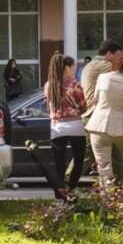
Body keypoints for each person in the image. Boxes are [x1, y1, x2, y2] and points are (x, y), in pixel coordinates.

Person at [69, 40, 123, 182]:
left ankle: (119, 193)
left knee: (115, 156)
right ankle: (64, 186)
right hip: (96, 117)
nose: (121, 58)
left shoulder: (91, 65)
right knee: (85, 156)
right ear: (109, 54)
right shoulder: (105, 65)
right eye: (119, 55)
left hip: (98, 117)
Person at [86, 52, 123, 187]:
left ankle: (108, 199)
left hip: (98, 127)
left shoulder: (103, 77)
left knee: (104, 167)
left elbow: (96, 99)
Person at [44, 53, 87, 199]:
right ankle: (71, 188)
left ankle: (59, 194)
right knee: (79, 159)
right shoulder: (74, 84)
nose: (73, 68)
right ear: (66, 67)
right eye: (72, 66)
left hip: (57, 127)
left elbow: (49, 105)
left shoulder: (48, 85)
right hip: (75, 126)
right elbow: (83, 106)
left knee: (59, 163)